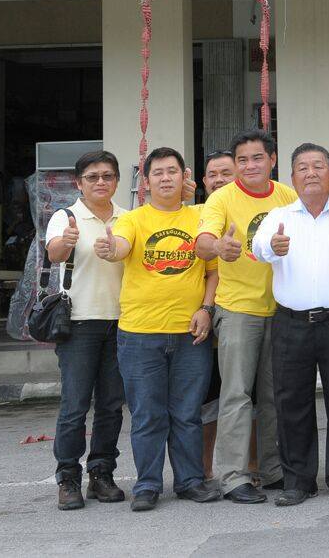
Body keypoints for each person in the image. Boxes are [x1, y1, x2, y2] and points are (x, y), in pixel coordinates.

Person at [95, 147, 220, 511]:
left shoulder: (200, 217)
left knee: (188, 413)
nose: (166, 178)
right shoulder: (133, 220)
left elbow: (213, 272)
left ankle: (190, 481)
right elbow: (120, 247)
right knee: (148, 415)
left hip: (190, 334)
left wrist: (206, 309)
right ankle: (147, 485)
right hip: (139, 335)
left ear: (185, 177)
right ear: (146, 182)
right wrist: (110, 248)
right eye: (158, 173)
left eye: (172, 171)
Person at [252, 144, 329, 506]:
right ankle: (298, 481)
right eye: (302, 167)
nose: (311, 173)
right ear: (292, 178)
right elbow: (258, 247)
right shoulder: (279, 216)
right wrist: (273, 247)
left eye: (319, 166)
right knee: (292, 402)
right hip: (291, 323)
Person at [196, 129, 297, 503]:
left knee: (274, 395)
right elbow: (202, 243)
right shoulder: (222, 198)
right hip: (238, 309)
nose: (250, 165)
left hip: (283, 308)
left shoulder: (287, 196)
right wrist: (219, 246)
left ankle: (272, 470)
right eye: (242, 160)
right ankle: (234, 477)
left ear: (272, 160)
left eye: (257, 158)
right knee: (236, 394)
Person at [45, 150, 128, 510]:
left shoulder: (128, 218)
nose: (100, 182)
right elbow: (54, 254)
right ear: (79, 183)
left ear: (117, 181)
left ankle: (101, 474)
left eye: (107, 176)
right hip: (78, 323)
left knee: (111, 406)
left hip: (122, 323)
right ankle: (68, 478)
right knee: (75, 405)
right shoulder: (65, 217)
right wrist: (66, 240)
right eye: (92, 177)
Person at [198, 150, 234, 480]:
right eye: (213, 174)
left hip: (242, 315)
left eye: (226, 173)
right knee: (208, 399)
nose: (219, 180)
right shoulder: (194, 215)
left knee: (247, 396)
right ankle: (205, 471)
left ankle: (252, 467)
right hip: (202, 321)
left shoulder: (250, 210)